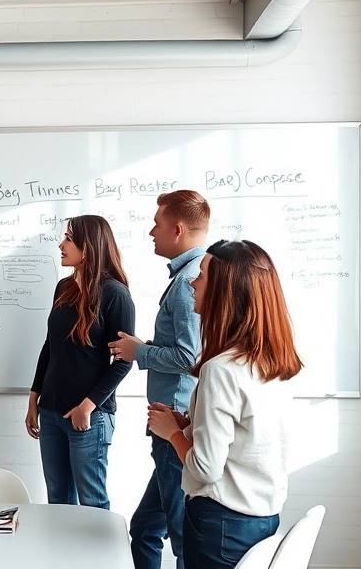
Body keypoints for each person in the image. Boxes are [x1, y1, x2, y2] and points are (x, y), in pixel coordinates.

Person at [146, 240, 302, 569]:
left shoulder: (220, 370)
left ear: (223, 292)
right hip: (263, 519)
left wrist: (172, 433)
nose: (191, 282)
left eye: (200, 276)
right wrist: (189, 424)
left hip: (221, 526)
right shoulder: (270, 362)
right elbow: (248, 435)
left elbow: (204, 469)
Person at [109, 189, 210, 569]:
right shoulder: (193, 273)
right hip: (173, 419)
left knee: (181, 537)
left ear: (178, 229)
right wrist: (146, 346)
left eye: (157, 223)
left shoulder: (189, 283)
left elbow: (189, 356)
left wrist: (141, 353)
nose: (152, 231)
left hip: (175, 423)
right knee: (147, 528)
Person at [24, 215, 135, 509]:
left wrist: (88, 405)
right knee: (58, 501)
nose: (61, 245)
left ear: (89, 247)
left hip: (89, 417)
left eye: (69, 239)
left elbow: (124, 361)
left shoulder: (115, 294)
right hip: (50, 412)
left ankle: (99, 557)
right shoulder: (64, 288)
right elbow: (50, 348)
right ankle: (62, 557)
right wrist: (34, 398)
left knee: (92, 503)